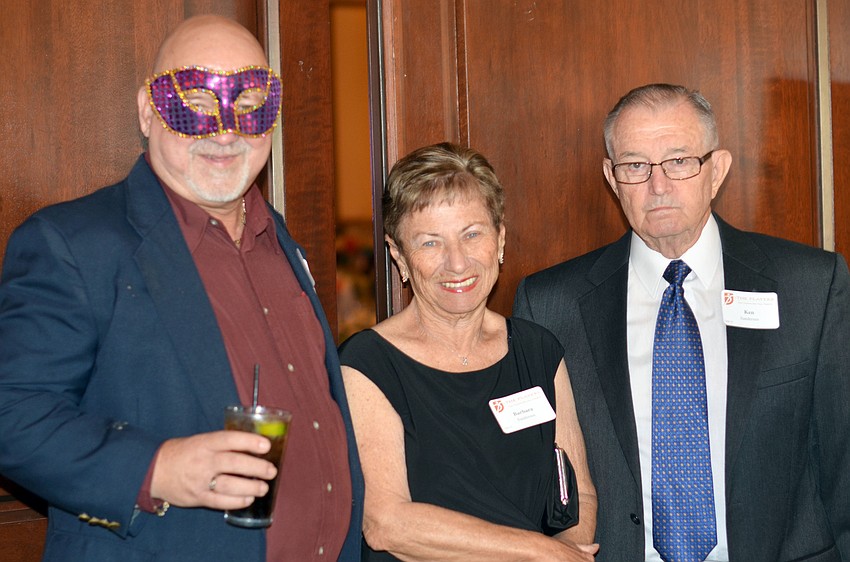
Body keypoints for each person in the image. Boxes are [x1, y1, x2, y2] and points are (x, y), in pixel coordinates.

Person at [0, 15, 363, 561]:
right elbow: (12, 414)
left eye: (248, 107)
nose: (224, 131)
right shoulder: (72, 244)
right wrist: (157, 468)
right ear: (148, 110)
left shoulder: (279, 238)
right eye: (194, 102)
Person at [514, 83, 850, 561]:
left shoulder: (809, 287)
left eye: (679, 161)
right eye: (635, 165)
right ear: (612, 178)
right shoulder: (551, 305)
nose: (658, 185)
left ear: (717, 171)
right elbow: (533, 477)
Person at [338, 142, 598, 561]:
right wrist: (539, 554)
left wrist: (567, 551)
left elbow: (578, 492)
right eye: (429, 243)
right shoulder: (366, 364)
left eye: (472, 234)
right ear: (398, 256)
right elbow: (387, 525)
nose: (456, 263)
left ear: (500, 240)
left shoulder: (539, 350)